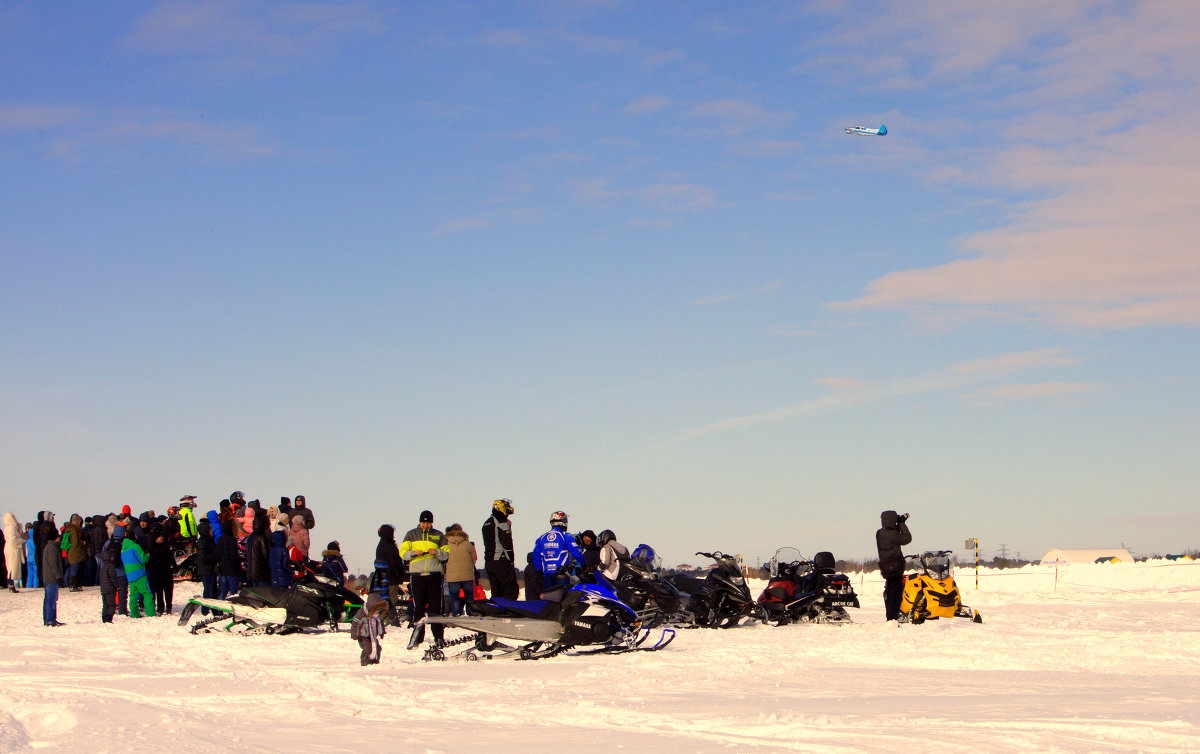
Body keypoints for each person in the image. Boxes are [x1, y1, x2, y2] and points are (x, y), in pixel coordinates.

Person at [400, 510, 449, 648]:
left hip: (434, 576)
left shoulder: (439, 535)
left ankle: (438, 637)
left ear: (431, 523)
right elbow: (402, 553)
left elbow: (446, 554)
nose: (425, 525)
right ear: (419, 522)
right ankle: (417, 638)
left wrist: (437, 552)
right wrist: (413, 553)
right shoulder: (411, 534)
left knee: (435, 608)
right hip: (417, 576)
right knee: (418, 608)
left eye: (428, 523)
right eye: (423, 522)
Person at [532, 511, 586, 590]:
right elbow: (575, 553)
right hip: (561, 573)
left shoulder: (541, 538)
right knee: (563, 599)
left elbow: (536, 556)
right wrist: (584, 564)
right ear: (562, 522)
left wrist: (539, 571)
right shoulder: (566, 536)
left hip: (546, 574)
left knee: (549, 598)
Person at [876, 510, 913, 621]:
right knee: (895, 594)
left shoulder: (879, 533)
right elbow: (907, 538)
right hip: (895, 567)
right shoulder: (893, 534)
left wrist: (897, 524)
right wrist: (902, 523)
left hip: (886, 567)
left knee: (889, 591)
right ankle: (893, 617)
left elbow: (892, 534)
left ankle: (890, 617)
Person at [481, 498, 518, 600]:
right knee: (511, 588)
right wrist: (511, 559)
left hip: (489, 561)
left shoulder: (487, 523)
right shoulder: (502, 522)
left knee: (496, 589)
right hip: (501, 560)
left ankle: (496, 609)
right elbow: (506, 542)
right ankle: (509, 608)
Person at [121, 523, 155, 618]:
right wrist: (147, 555)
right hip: (139, 574)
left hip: (130, 576)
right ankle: (151, 614)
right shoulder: (135, 547)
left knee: (133, 596)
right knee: (147, 594)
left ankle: (134, 614)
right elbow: (143, 559)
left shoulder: (123, 549)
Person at [375, 524, 406, 625]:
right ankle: (387, 619)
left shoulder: (381, 545)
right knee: (391, 599)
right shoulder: (389, 545)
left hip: (383, 577)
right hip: (391, 577)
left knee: (384, 598)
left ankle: (383, 618)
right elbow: (394, 561)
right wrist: (399, 574)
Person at [443, 524, 476, 617]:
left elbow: (443, 558)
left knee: (454, 597)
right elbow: (473, 558)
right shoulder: (468, 544)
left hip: (452, 575)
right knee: (469, 595)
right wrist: (469, 566)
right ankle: (471, 613)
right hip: (467, 574)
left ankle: (457, 613)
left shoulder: (446, 544)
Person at [351, 593, 388, 666]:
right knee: (368, 649)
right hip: (363, 636)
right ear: (371, 608)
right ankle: (365, 663)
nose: (378, 612)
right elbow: (355, 623)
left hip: (372, 636)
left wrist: (381, 633)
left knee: (377, 648)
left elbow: (380, 624)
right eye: (377, 609)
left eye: (380, 610)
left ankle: (375, 662)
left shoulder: (377, 616)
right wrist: (354, 634)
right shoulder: (362, 613)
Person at [42, 527, 65, 626]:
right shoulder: (52, 548)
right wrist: (58, 576)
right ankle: (50, 619)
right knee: (51, 600)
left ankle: (48, 619)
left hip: (49, 578)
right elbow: (53, 565)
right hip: (52, 578)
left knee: (49, 599)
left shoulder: (49, 547)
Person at [195, 518, 219, 613]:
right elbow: (203, 557)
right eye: (210, 529)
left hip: (210, 569)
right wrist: (216, 556)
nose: (212, 531)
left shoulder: (209, 540)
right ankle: (205, 610)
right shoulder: (202, 542)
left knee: (213, 590)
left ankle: (215, 610)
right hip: (206, 570)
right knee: (208, 590)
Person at [216, 518, 241, 599]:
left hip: (222, 568)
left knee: (223, 590)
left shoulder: (219, 540)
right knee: (233, 591)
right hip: (231, 569)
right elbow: (234, 556)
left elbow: (218, 554)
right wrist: (238, 566)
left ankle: (220, 608)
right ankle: (231, 608)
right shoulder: (232, 539)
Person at [3, 512, 25, 593]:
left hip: (9, 548)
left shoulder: (7, 528)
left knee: (10, 567)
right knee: (13, 567)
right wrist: (21, 540)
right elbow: (13, 540)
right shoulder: (12, 528)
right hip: (13, 549)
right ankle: (11, 585)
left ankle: (11, 584)